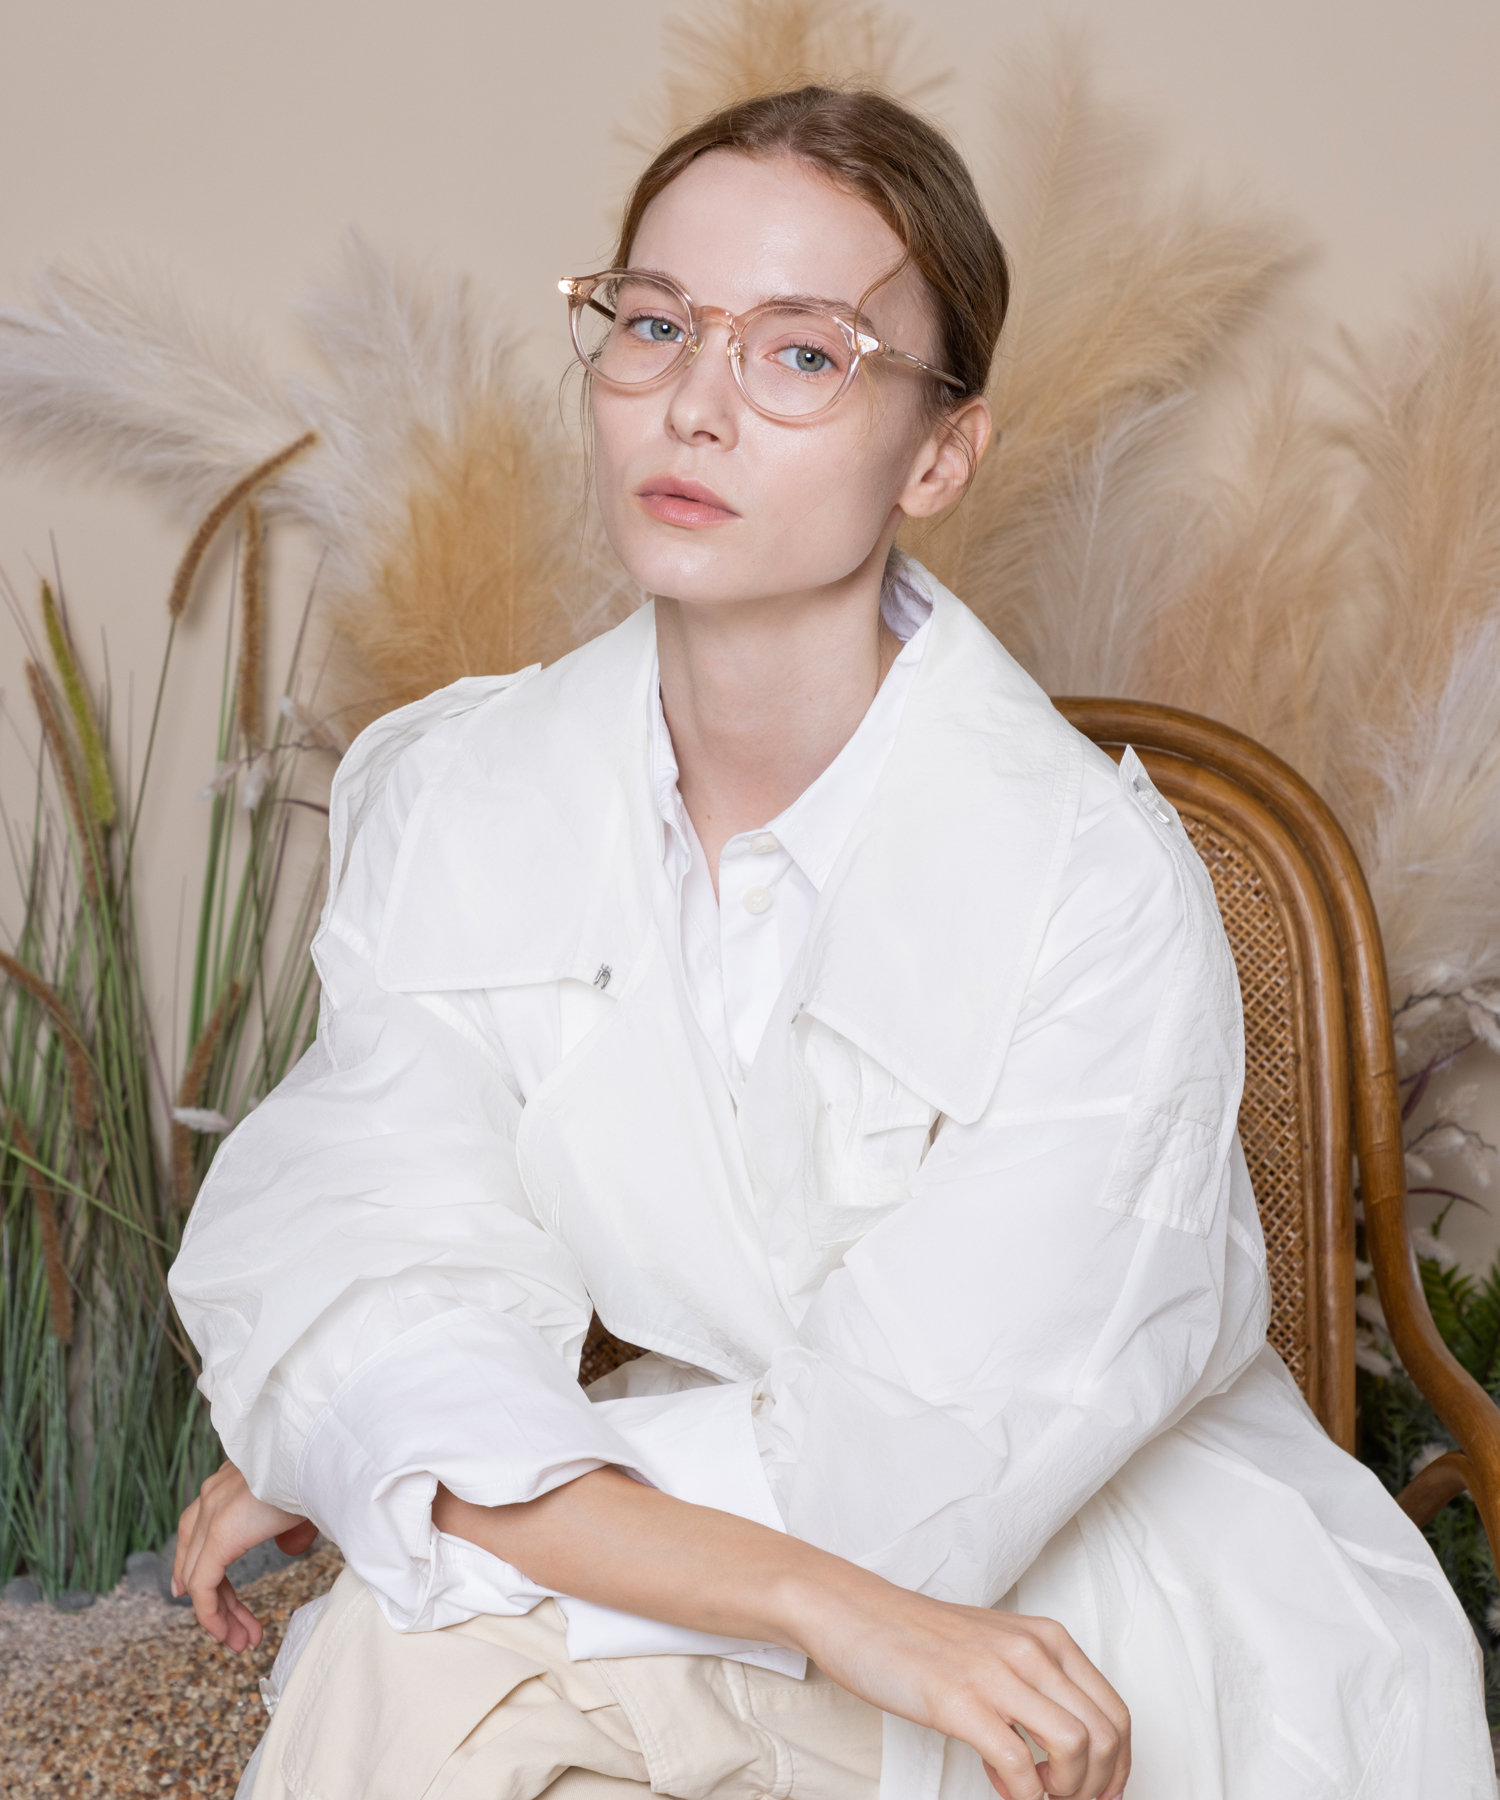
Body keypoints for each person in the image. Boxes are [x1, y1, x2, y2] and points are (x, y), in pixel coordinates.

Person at [167, 86, 1491, 1800]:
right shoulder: (467, 796)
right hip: (716, 1550)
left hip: (1077, 1592)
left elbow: (914, 1468)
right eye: (654, 324)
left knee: (410, 1635)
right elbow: (370, 1257)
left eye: (801, 353)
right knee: (405, 1661)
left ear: (939, 455)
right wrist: (416, 1452)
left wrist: (420, 1472)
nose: (695, 405)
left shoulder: (1091, 884)